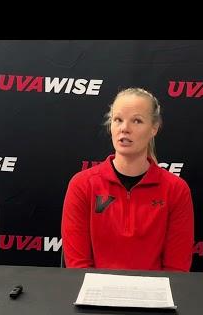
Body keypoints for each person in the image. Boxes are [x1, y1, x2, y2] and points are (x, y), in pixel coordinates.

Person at [61, 87, 194, 271]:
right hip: (96, 296)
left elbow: (177, 269)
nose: (125, 128)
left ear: (154, 128)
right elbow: (78, 267)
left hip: (154, 297)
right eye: (118, 120)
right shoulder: (82, 185)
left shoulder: (176, 189)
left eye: (137, 121)